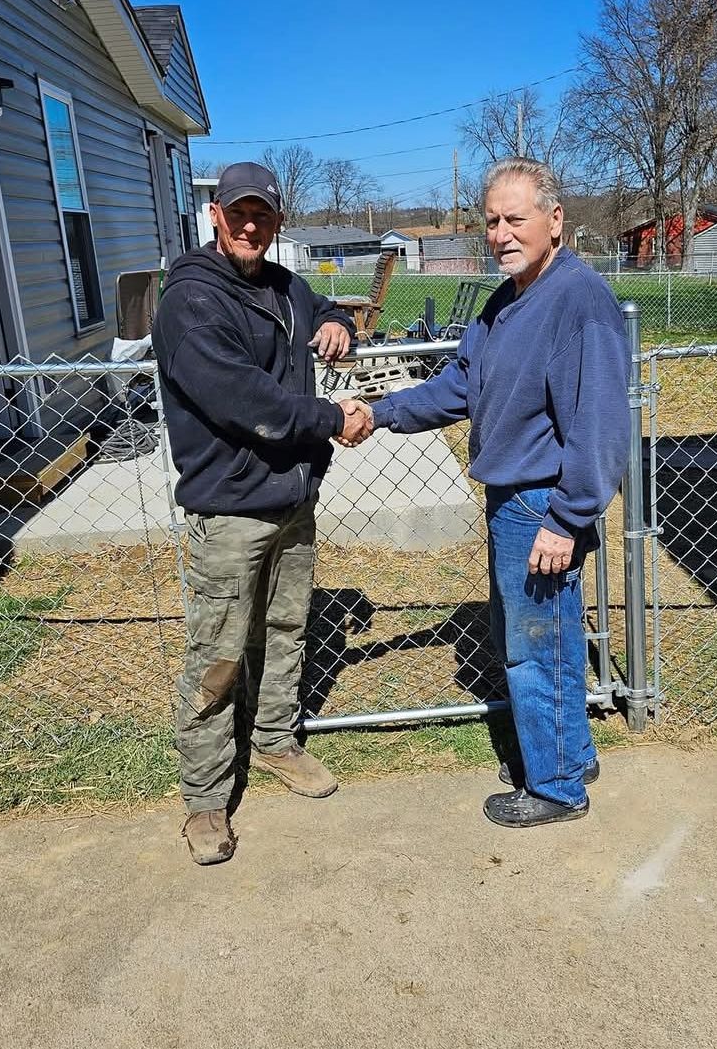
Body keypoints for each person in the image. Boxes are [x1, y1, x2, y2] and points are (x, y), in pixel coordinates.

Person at [362, 159, 631, 829]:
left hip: (543, 506)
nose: (502, 233)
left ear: (555, 219)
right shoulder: (505, 303)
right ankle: (569, 755)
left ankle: (558, 787)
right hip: (514, 503)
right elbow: (460, 387)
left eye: (516, 218)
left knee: (534, 649)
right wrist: (380, 412)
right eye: (492, 221)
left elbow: (600, 424)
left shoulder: (578, 300)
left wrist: (567, 519)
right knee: (548, 640)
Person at [151, 161, 372, 866]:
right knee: (217, 655)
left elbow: (324, 310)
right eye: (238, 213)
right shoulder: (190, 300)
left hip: (293, 502)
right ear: (215, 215)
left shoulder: (283, 286)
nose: (251, 226)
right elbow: (247, 401)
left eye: (264, 216)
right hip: (232, 510)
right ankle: (206, 800)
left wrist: (337, 324)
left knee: (284, 630)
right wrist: (331, 416)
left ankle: (275, 740)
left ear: (278, 223)